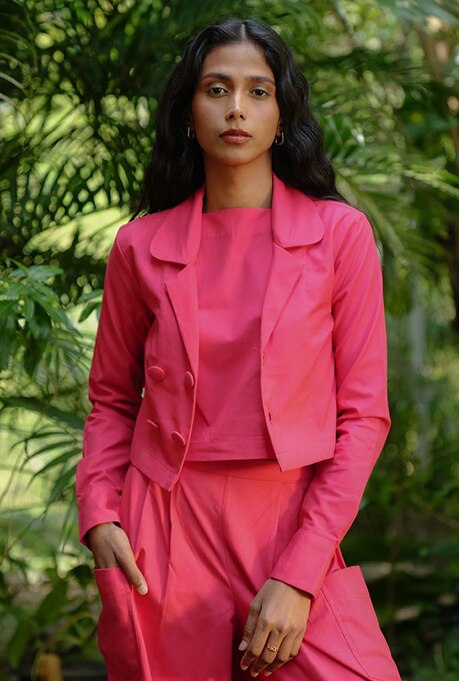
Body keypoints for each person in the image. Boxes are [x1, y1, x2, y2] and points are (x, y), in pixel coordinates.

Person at [75, 16, 403, 681]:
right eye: (216, 88)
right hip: (164, 529)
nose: (236, 108)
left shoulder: (339, 235)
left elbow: (363, 416)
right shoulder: (139, 246)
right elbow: (112, 400)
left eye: (258, 91)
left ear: (281, 117)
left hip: (290, 521)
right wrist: (100, 515)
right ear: (188, 111)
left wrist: (301, 570)